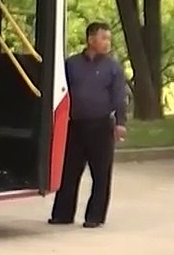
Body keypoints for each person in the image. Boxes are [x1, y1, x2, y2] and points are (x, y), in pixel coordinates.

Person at [49, 22, 128, 228]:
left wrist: (121, 122)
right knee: (69, 171)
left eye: (109, 39)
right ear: (91, 39)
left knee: (101, 173)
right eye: (103, 38)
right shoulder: (72, 64)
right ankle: (62, 214)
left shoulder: (113, 67)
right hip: (74, 125)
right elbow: (60, 89)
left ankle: (94, 217)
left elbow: (119, 96)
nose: (107, 43)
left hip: (101, 125)